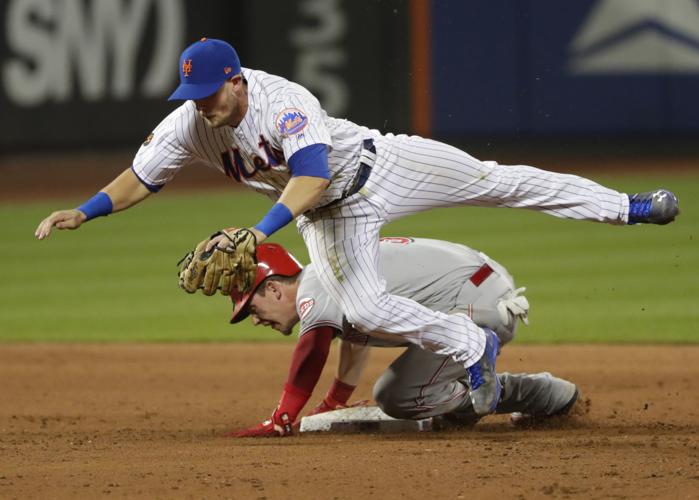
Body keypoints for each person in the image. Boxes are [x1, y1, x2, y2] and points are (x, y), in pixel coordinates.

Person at [34, 38, 678, 417]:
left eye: (210, 92)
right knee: (365, 305)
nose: (201, 104)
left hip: (383, 164)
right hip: (329, 215)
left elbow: (309, 175)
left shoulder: (284, 102)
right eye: (192, 95)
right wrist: (85, 211)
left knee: (497, 181)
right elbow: (140, 177)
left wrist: (259, 234)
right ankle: (469, 343)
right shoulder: (187, 125)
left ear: (236, 80)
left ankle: (628, 207)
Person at [227, 237, 579, 437]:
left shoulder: (315, 286)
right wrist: (336, 400)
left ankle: (536, 393)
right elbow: (354, 338)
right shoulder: (329, 275)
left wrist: (282, 418)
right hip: (478, 289)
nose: (254, 320)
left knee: (399, 397)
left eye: (251, 309)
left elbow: (313, 348)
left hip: (473, 305)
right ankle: (543, 394)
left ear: (273, 289)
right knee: (414, 392)